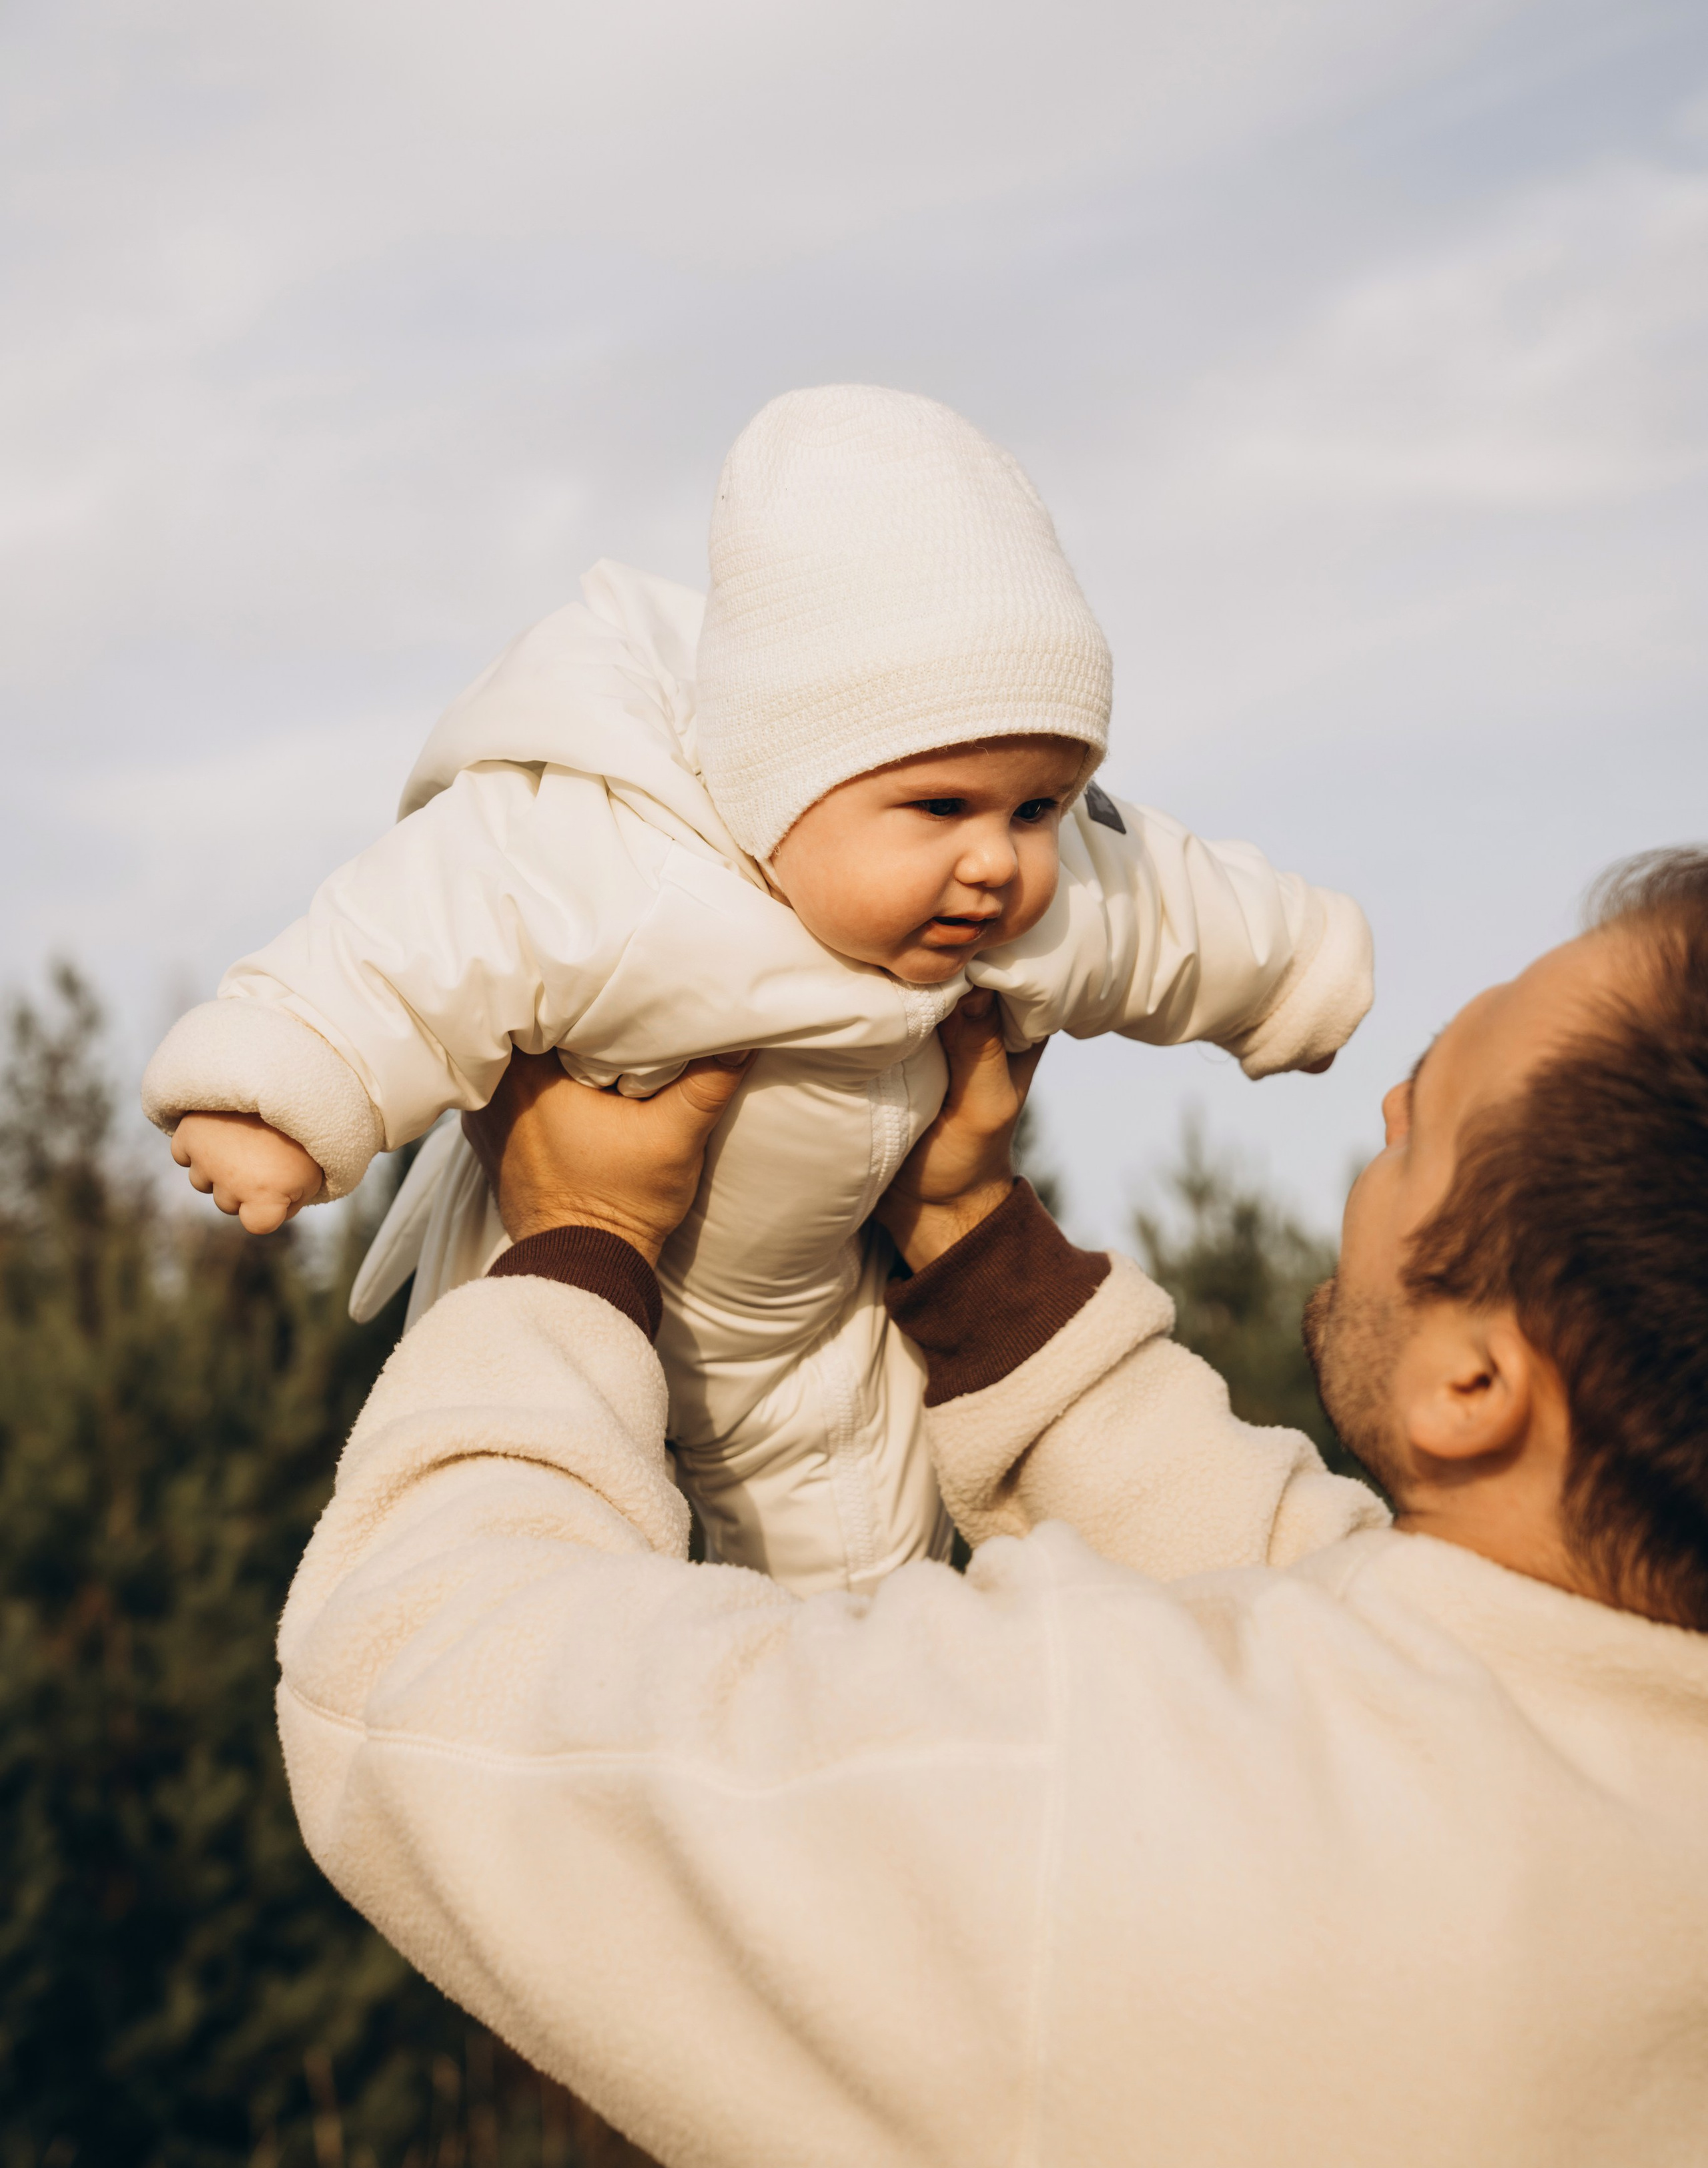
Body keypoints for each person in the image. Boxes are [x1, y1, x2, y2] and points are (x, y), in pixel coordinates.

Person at [277, 847, 1708, 2168]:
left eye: (1427, 1120)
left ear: (1472, 1382)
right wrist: (965, 1235)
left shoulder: (1107, 1826)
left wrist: (573, 1241)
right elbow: (1321, 1602)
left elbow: (424, 1668)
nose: (1386, 1111)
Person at [141, 385, 1370, 1595]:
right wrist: (282, 1086)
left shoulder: (1020, 909)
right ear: (777, 779)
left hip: (820, 1316)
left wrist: (1301, 977)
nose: (999, 860)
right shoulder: (616, 855)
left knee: (851, 1584)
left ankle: (840, 1720)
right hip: (565, 1254)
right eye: (940, 806)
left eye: (1037, 805)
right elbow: (418, 933)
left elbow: (1171, 912)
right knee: (512, 1536)